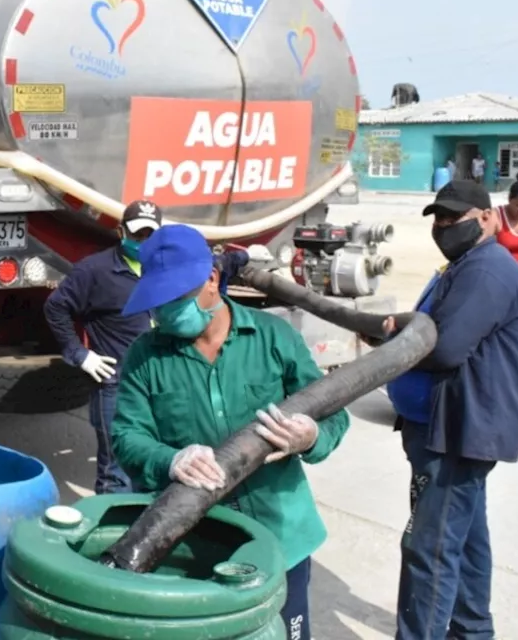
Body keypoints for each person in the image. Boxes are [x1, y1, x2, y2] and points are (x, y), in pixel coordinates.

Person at [112, 224, 350, 638]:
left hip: (282, 536)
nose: (165, 312)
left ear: (212, 279)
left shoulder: (273, 337)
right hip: (195, 543)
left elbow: (334, 412)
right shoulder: (145, 357)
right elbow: (126, 437)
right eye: (158, 302)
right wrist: (171, 459)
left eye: (176, 298)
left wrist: (310, 435)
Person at [384, 179, 518, 640]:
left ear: (487, 218)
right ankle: (471, 629)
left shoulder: (486, 271)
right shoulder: (464, 264)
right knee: (465, 540)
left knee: (429, 549)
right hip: (446, 425)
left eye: (455, 218)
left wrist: (394, 339)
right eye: (440, 219)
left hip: (455, 432)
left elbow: (445, 348)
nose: (445, 227)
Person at [43, 200, 161, 494]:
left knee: (154, 464)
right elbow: (55, 308)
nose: (143, 241)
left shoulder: (162, 269)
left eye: (151, 235)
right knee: (116, 472)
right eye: (137, 234)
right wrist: (79, 354)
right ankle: (112, 537)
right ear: (121, 232)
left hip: (159, 381)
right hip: (116, 384)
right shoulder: (95, 271)